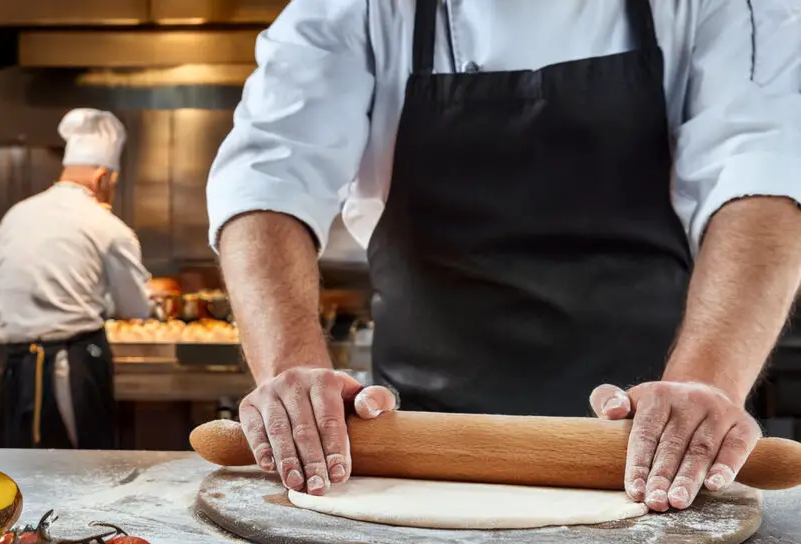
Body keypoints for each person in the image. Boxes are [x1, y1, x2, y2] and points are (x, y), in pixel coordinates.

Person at [207, 0, 801, 511]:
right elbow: (269, 177)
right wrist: (292, 375)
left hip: (646, 453)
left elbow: (762, 179)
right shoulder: (360, 8)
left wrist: (703, 390)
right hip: (413, 454)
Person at [0, 108, 153, 450]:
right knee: (81, 471)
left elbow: (6, 277)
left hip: (17, 368)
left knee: (19, 468)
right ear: (103, 177)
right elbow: (135, 307)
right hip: (70, 367)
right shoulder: (107, 227)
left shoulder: (15, 216)